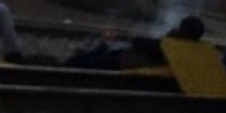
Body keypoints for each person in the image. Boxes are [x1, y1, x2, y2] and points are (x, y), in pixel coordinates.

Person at [65, 15, 206, 70]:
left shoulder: (172, 46)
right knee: (99, 53)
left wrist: (169, 38)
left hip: (125, 63)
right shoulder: (196, 51)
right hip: (129, 61)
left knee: (84, 61)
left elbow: (140, 42)